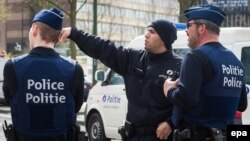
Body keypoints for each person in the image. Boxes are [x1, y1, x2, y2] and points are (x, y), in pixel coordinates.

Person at [59, 19, 182, 141]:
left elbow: (188, 102)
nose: (147, 34)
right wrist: (74, 33)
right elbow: (103, 48)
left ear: (164, 39)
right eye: (147, 30)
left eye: (152, 32)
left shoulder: (179, 66)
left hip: (160, 136)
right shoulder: (133, 58)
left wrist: (170, 123)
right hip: (132, 135)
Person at [163, 4, 248, 141]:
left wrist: (169, 90)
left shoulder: (195, 57)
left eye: (189, 25)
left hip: (197, 135)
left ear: (202, 28)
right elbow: (242, 105)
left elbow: (187, 99)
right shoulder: (235, 62)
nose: (186, 30)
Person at [2, 7, 85, 141]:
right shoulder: (74, 69)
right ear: (59, 36)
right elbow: (76, 106)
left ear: (34, 30)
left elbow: (10, 100)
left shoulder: (13, 67)